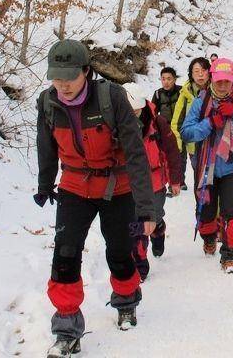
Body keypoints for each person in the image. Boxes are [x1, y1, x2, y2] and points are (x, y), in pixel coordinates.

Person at [35, 40, 156, 357]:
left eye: (69, 77)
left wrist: (146, 209)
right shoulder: (48, 102)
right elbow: (46, 147)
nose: (63, 84)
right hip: (74, 186)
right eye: (56, 77)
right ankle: (66, 329)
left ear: (86, 72)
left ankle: (127, 301)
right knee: (64, 254)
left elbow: (136, 155)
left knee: (119, 251)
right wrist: (45, 184)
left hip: (118, 188)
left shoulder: (111, 98)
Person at [180, 58, 233, 273]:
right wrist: (210, 123)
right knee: (207, 213)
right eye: (219, 81)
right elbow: (187, 132)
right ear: (212, 79)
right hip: (206, 167)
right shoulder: (202, 102)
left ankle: (228, 254)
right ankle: (208, 238)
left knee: (231, 212)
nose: (223, 85)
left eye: (227, 81)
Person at [123, 83, 183, 281]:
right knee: (136, 227)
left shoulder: (158, 123)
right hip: (129, 184)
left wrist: (175, 180)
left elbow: (172, 152)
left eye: (137, 111)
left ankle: (159, 231)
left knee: (153, 220)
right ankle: (140, 264)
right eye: (129, 111)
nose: (133, 115)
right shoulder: (116, 123)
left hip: (155, 183)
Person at [171, 58, 211, 188]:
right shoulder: (185, 94)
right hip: (194, 146)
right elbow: (176, 123)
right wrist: (177, 146)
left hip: (214, 144)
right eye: (196, 71)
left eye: (204, 70)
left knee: (212, 180)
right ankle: (204, 205)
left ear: (210, 72)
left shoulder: (218, 89)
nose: (200, 74)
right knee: (200, 179)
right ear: (191, 74)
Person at [152, 67, 185, 193]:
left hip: (181, 126)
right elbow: (153, 113)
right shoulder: (157, 94)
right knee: (168, 155)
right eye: (163, 79)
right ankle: (173, 181)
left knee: (181, 155)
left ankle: (180, 180)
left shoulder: (182, 91)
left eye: (169, 79)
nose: (166, 82)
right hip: (165, 129)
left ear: (174, 79)